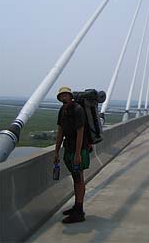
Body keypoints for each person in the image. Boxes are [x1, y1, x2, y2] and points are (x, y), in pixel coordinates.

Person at [54, 86, 90, 224]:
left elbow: (80, 132)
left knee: (79, 178)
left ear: (70, 96)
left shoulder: (77, 110)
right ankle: (77, 206)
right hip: (68, 148)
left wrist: (77, 154)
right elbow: (60, 131)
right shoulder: (63, 110)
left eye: (65, 95)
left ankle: (79, 212)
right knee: (76, 178)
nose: (63, 98)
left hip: (78, 150)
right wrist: (56, 151)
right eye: (61, 96)